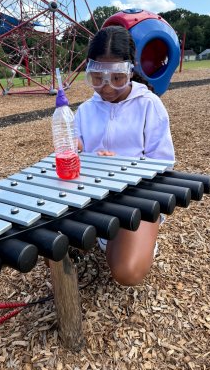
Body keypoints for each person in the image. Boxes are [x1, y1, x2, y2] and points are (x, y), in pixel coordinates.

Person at [75, 26, 175, 286]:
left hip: (138, 197)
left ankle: (133, 237)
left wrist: (120, 166)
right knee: (47, 238)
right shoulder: (85, 111)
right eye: (97, 78)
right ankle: (107, 235)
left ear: (131, 70)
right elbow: (74, 161)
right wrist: (77, 154)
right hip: (94, 195)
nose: (106, 87)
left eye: (117, 78)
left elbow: (163, 165)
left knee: (126, 273)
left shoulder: (149, 105)